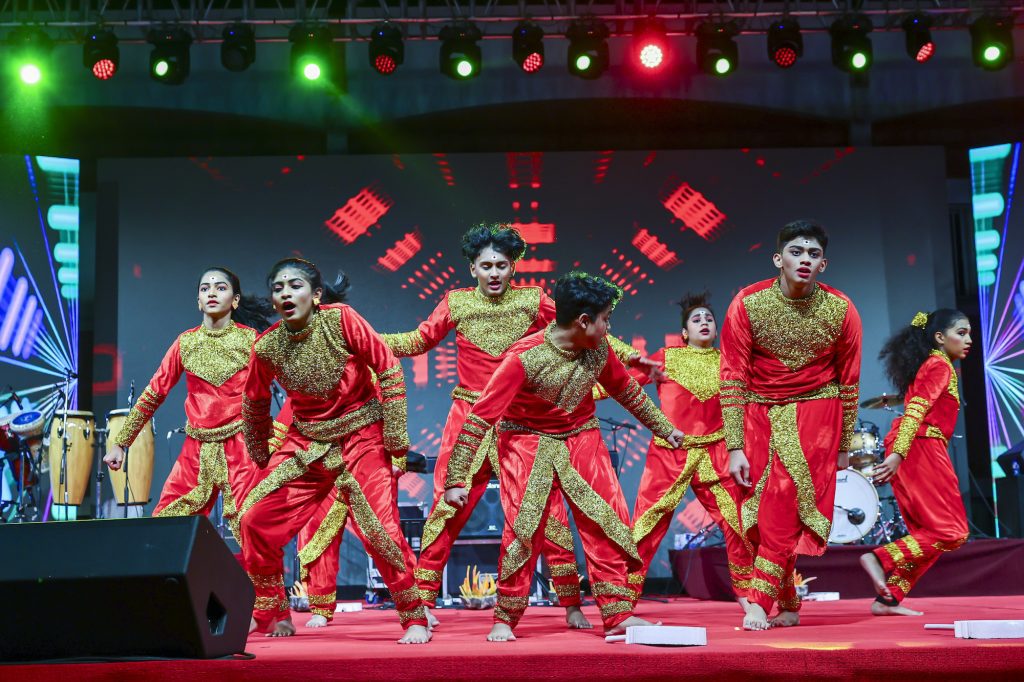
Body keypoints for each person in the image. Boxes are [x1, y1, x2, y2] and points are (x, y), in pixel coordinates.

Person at [382, 224, 647, 629]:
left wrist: (630, 356)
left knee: (545, 512)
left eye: (501, 265)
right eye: (486, 265)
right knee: (447, 508)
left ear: (513, 268)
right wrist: (365, 340)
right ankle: (423, 602)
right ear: (472, 268)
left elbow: (581, 327)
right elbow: (419, 341)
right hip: (470, 413)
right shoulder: (455, 302)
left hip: (521, 420)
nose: (494, 273)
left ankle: (571, 603)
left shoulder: (532, 300)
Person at [444, 271, 685, 641]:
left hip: (581, 435)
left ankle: (618, 614)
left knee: (604, 519)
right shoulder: (523, 358)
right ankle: (505, 618)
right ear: (583, 321)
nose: (609, 327)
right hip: (525, 439)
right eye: (606, 319)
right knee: (524, 528)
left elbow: (625, 390)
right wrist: (456, 479)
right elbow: (480, 418)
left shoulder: (598, 349)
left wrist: (664, 428)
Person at [237, 258, 429, 643]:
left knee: (380, 530)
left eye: (295, 286)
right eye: (278, 288)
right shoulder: (268, 345)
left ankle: (414, 617)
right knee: (254, 519)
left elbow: (389, 370)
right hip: (307, 443)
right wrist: (261, 455)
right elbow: (254, 404)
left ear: (316, 295)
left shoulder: (341, 319)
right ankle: (273, 613)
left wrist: (395, 445)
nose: (286, 293)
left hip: (362, 434)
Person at [721, 221, 861, 630]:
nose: (804, 260)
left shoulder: (842, 309)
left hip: (818, 413)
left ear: (823, 264)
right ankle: (788, 602)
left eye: (813, 254)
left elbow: (849, 381)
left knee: (783, 504)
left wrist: (843, 445)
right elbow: (732, 376)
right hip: (758, 414)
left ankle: (758, 603)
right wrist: (734, 446)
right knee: (760, 514)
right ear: (777, 258)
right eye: (796, 252)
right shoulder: (747, 303)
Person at [104, 267, 271, 541]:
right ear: (198, 302)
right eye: (205, 289)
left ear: (235, 300)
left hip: (242, 447)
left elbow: (285, 385)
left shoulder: (252, 340)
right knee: (165, 529)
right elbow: (153, 393)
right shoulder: (186, 343)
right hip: (196, 450)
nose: (212, 292)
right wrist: (121, 443)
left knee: (254, 531)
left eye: (220, 287)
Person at [627, 292, 753, 610]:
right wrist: (578, 392)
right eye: (696, 319)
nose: (704, 322)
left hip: (717, 452)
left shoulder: (729, 362)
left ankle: (748, 596)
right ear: (684, 333)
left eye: (709, 319)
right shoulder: (666, 357)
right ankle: (621, 598)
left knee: (738, 525)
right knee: (645, 526)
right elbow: (623, 384)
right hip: (671, 451)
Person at [859, 309, 971, 616]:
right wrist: (899, 454)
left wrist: (899, 452)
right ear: (940, 337)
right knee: (951, 532)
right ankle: (879, 558)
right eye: (961, 333)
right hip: (920, 447)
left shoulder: (934, 364)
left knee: (930, 535)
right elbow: (915, 411)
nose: (969, 340)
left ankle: (889, 599)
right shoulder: (939, 365)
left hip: (915, 446)